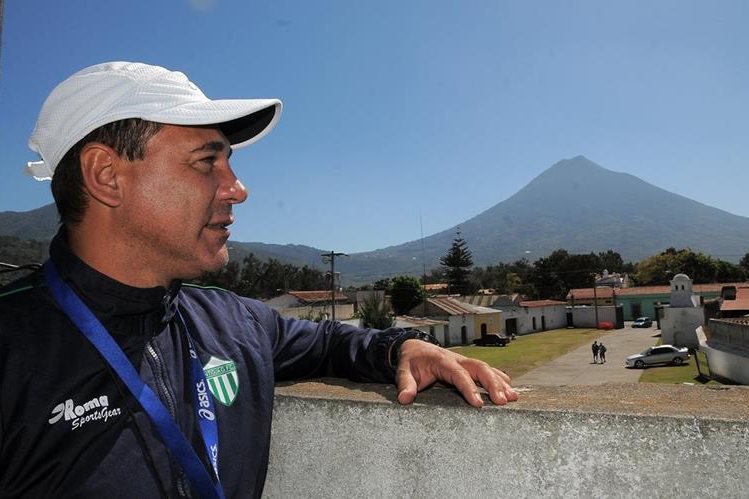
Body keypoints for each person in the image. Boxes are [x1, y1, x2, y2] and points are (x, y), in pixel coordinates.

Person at [0, 62, 517, 498]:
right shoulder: (13, 343)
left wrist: (404, 347)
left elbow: (332, 343)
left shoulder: (231, 320)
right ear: (107, 176)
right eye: (207, 162)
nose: (238, 190)